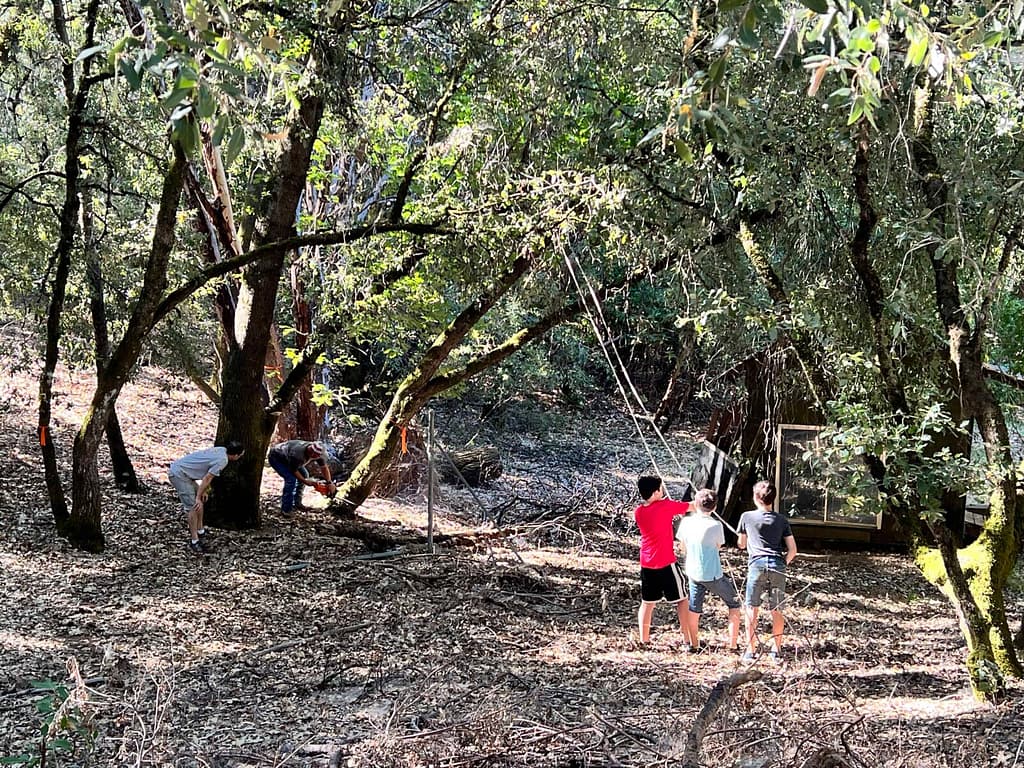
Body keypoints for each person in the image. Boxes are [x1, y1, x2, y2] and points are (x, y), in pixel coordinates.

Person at [737, 480, 798, 661]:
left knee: (751, 607)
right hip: (777, 565)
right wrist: (783, 563)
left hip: (756, 565)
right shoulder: (781, 520)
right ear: (773, 498)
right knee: (777, 609)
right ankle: (775, 650)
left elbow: (741, 544)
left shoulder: (747, 517)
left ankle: (750, 650)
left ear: (756, 498)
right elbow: (793, 550)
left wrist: (746, 539)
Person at [676, 488, 741, 652]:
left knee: (694, 608)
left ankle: (693, 644)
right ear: (714, 507)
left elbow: (682, 546)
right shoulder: (715, 525)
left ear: (695, 505)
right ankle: (733, 644)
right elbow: (718, 545)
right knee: (734, 603)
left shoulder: (686, 522)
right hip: (713, 574)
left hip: (693, 572)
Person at [633, 474, 694, 647]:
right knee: (682, 599)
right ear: (655, 492)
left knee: (647, 602)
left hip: (646, 563)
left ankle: (644, 639)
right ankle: (687, 639)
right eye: (661, 488)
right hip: (666, 562)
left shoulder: (639, 511)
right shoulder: (665, 506)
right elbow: (690, 506)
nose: (663, 490)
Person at [168, 440, 245, 556]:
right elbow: (208, 478)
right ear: (235, 455)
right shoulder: (222, 460)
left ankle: (201, 530)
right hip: (179, 474)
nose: (240, 457)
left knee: (200, 503)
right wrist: (198, 496)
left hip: (186, 474)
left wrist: (203, 491)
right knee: (193, 506)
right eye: (240, 455)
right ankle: (194, 541)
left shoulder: (220, 450)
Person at [267, 439, 335, 516]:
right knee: (291, 480)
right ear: (308, 450)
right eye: (310, 454)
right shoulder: (297, 454)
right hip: (277, 458)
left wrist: (329, 482)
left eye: (314, 457)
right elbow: (294, 471)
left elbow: (324, 468)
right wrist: (306, 481)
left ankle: (297, 503)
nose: (311, 457)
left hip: (289, 458)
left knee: (305, 475)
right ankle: (286, 510)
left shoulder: (321, 451)